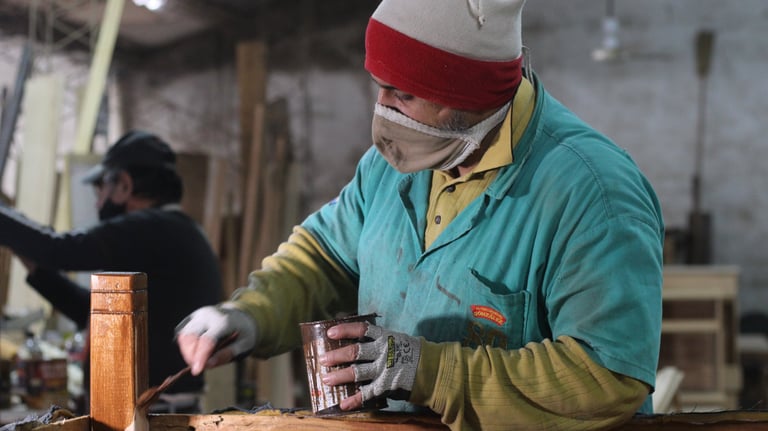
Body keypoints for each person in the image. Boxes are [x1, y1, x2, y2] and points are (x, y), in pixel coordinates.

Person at [175, 0, 664, 429]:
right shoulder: (394, 165)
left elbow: (608, 377)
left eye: (403, 94)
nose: (383, 110)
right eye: (380, 87)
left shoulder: (591, 191)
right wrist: (251, 314)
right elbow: (326, 257)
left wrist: (428, 372)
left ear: (471, 93)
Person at [0, 130, 224, 413]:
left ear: (124, 186)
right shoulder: (176, 232)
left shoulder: (150, 227)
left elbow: (58, 249)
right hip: (162, 413)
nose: (97, 203)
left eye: (101, 189)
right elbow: (89, 310)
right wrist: (30, 257)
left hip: (152, 418)